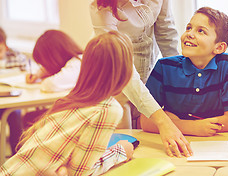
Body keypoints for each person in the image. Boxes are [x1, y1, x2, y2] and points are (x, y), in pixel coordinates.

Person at [90, 0, 191, 157]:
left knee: (157, 145)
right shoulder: (103, 8)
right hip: (116, 82)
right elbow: (124, 71)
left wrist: (179, 77)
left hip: (150, 71)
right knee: (126, 151)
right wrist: (162, 120)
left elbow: (165, 28)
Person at [0, 31, 135, 176]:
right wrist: (119, 152)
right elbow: (80, 172)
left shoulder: (72, 98)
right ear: (125, 70)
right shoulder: (108, 109)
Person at [140, 7, 228, 136]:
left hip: (213, 145)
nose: (190, 34)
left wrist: (171, 121)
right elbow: (146, 122)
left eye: (201, 31)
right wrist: (192, 127)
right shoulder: (165, 67)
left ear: (219, 47)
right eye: (188, 28)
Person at [0, 27, 27, 155]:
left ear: (5, 44)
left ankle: (17, 158)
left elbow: (25, 79)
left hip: (10, 101)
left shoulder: (16, 56)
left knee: (15, 115)